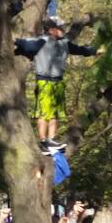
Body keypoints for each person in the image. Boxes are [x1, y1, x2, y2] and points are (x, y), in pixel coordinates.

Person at [14, 17, 100, 155]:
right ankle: (43, 142)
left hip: (58, 81)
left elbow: (81, 50)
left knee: (54, 113)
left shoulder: (65, 43)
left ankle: (51, 139)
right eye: (60, 28)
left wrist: (95, 50)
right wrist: (15, 40)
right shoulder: (42, 41)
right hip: (44, 81)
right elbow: (26, 44)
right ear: (51, 30)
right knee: (44, 113)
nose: (63, 30)